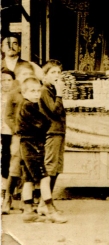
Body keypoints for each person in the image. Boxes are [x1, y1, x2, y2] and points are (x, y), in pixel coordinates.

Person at [16, 77, 66, 223]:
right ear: (24, 92)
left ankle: (28, 211)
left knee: (29, 179)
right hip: (33, 147)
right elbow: (45, 122)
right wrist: (46, 123)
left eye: (38, 90)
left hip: (25, 146)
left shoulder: (26, 105)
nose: (36, 93)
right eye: (32, 91)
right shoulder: (29, 106)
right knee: (44, 178)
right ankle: (50, 211)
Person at [2, 61, 37, 214]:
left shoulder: (35, 93)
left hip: (32, 136)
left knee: (28, 167)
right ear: (17, 77)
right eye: (23, 74)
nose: (26, 77)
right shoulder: (13, 94)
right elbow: (8, 116)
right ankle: (8, 198)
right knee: (15, 167)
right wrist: (16, 128)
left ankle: (26, 199)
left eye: (29, 74)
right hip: (18, 136)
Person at [37, 60, 65, 216]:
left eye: (59, 72)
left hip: (58, 132)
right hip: (51, 133)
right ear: (45, 76)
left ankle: (45, 203)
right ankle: (44, 204)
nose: (57, 76)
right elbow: (54, 111)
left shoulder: (52, 90)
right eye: (53, 72)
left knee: (56, 169)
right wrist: (60, 93)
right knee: (50, 168)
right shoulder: (45, 91)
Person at [1, 68, 15, 210]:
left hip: (10, 133)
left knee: (9, 162)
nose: (5, 83)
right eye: (2, 80)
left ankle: (9, 195)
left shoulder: (16, 96)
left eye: (9, 80)